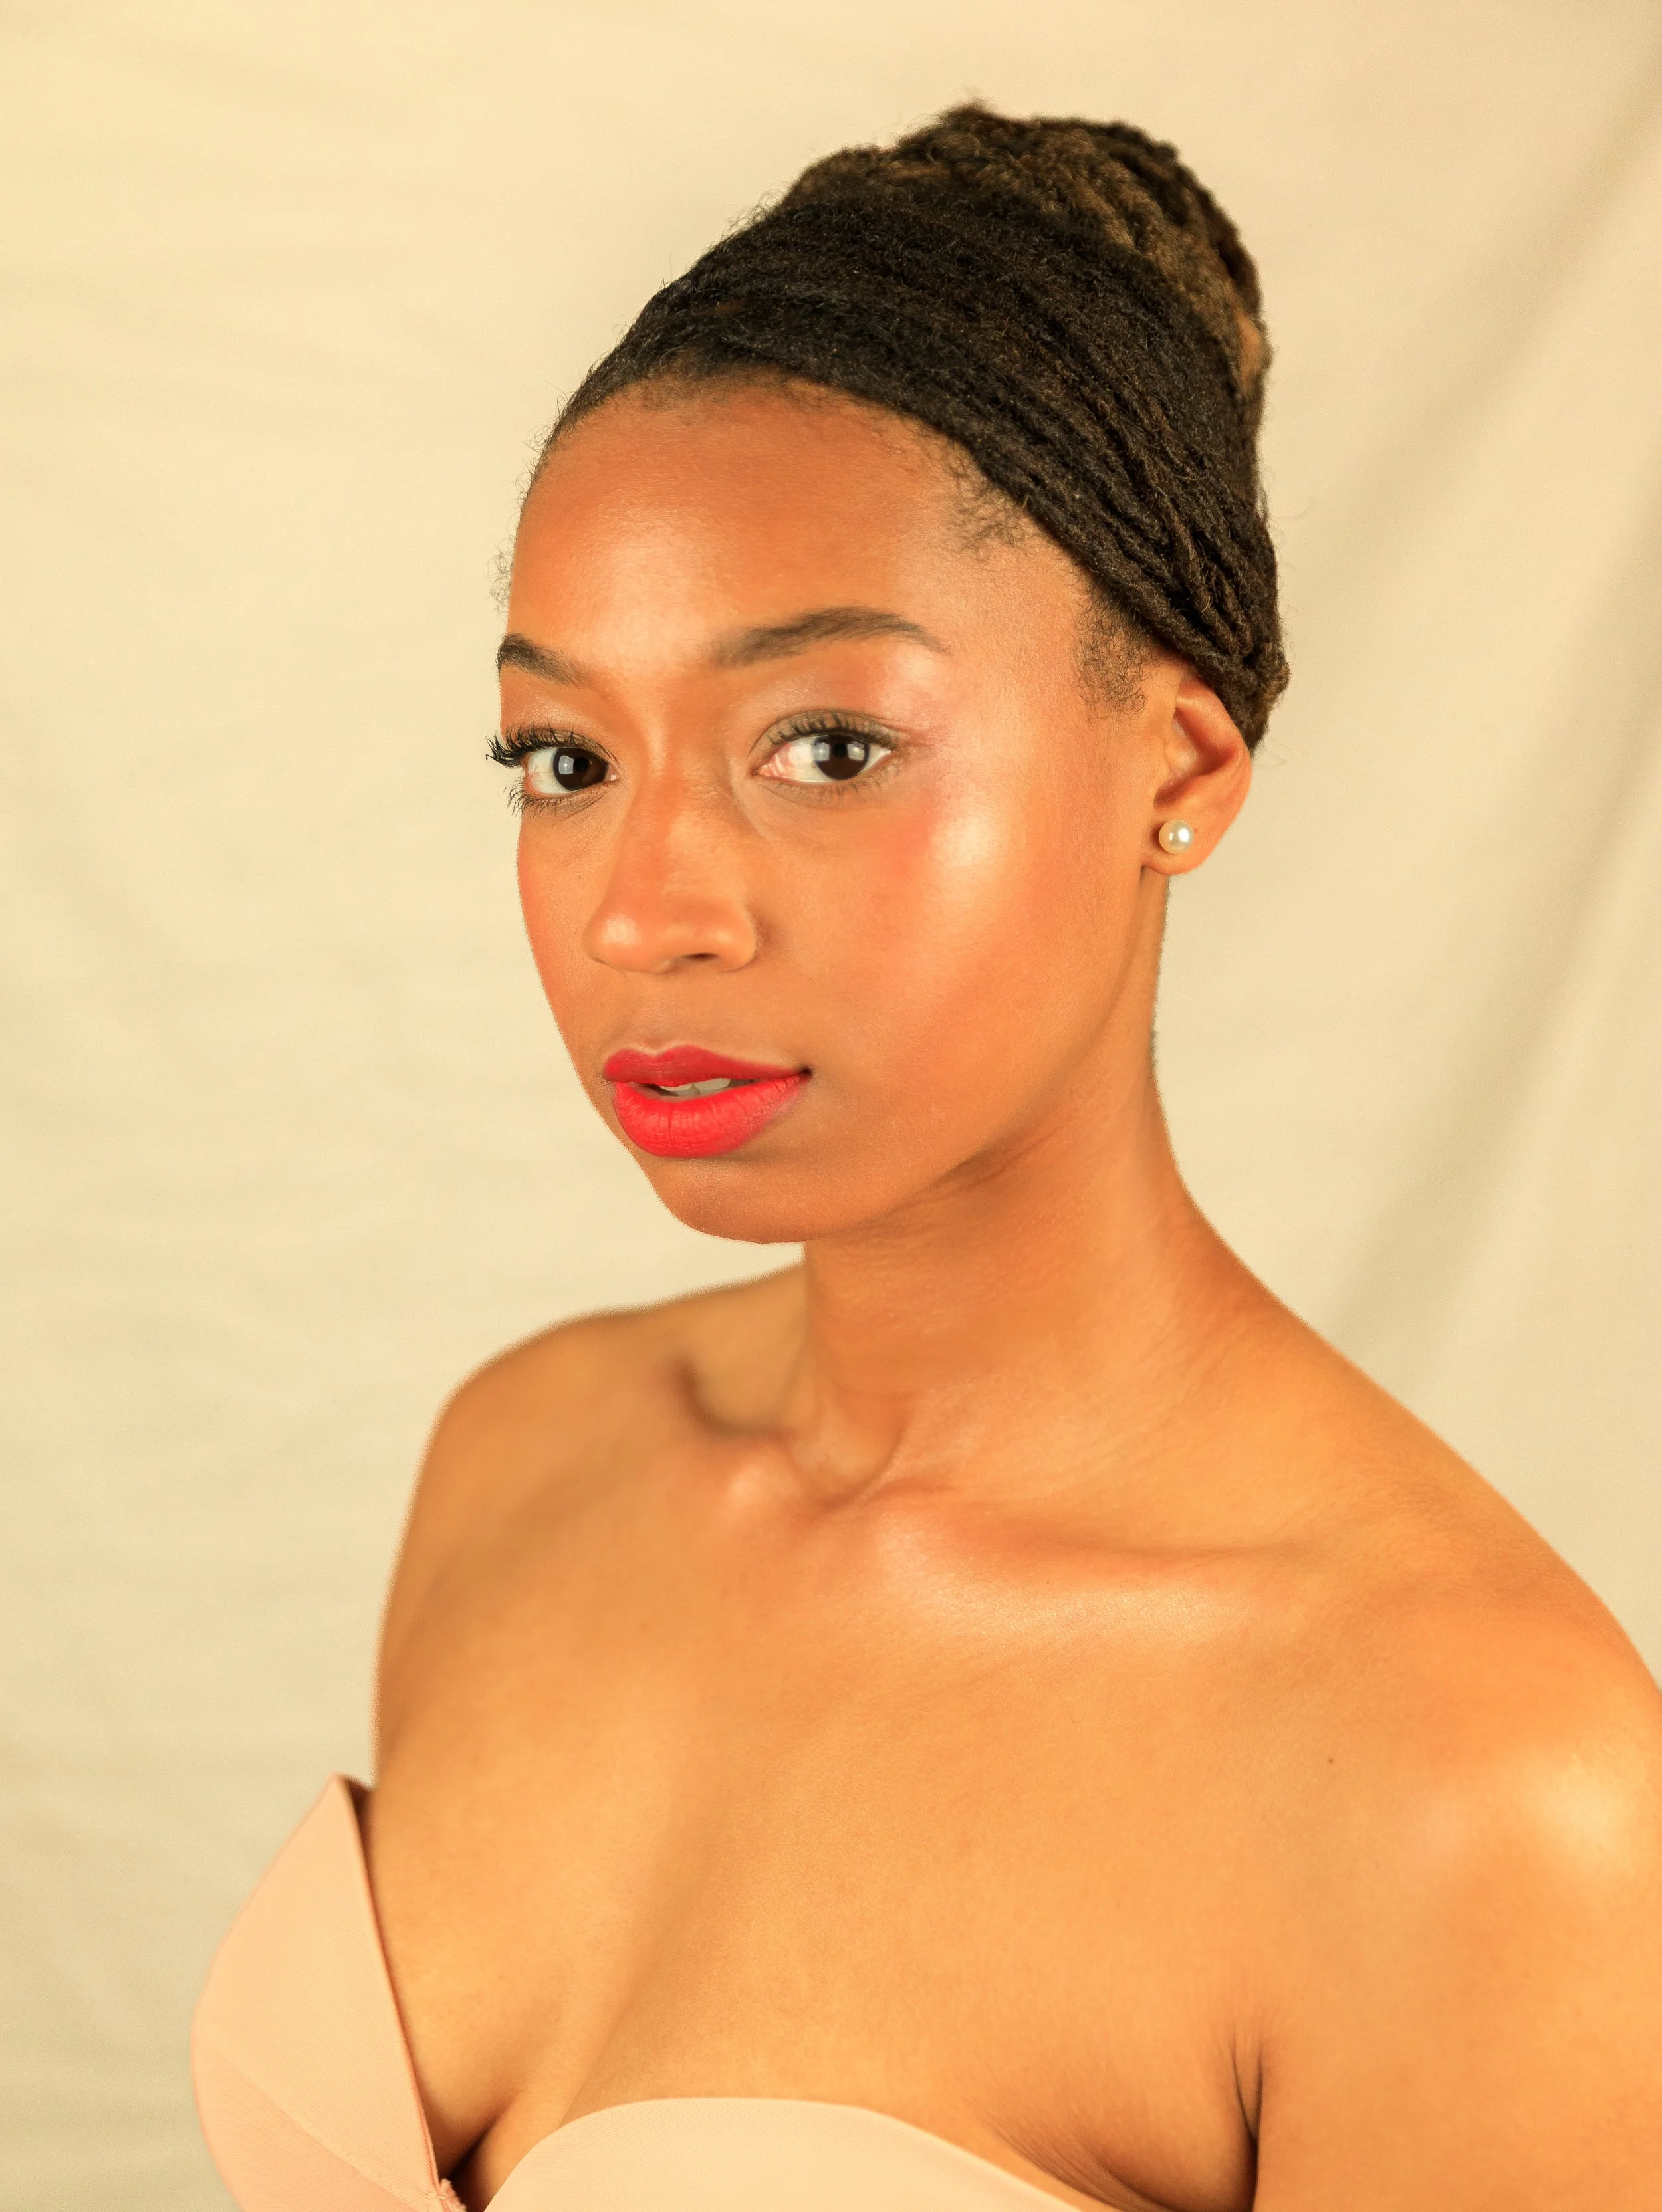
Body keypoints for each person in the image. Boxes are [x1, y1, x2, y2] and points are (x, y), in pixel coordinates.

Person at [192, 106, 1662, 2211]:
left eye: (827, 747)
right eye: (565, 758)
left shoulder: (1471, 1780)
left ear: (1174, 767)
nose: (642, 911)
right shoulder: (519, 1463)